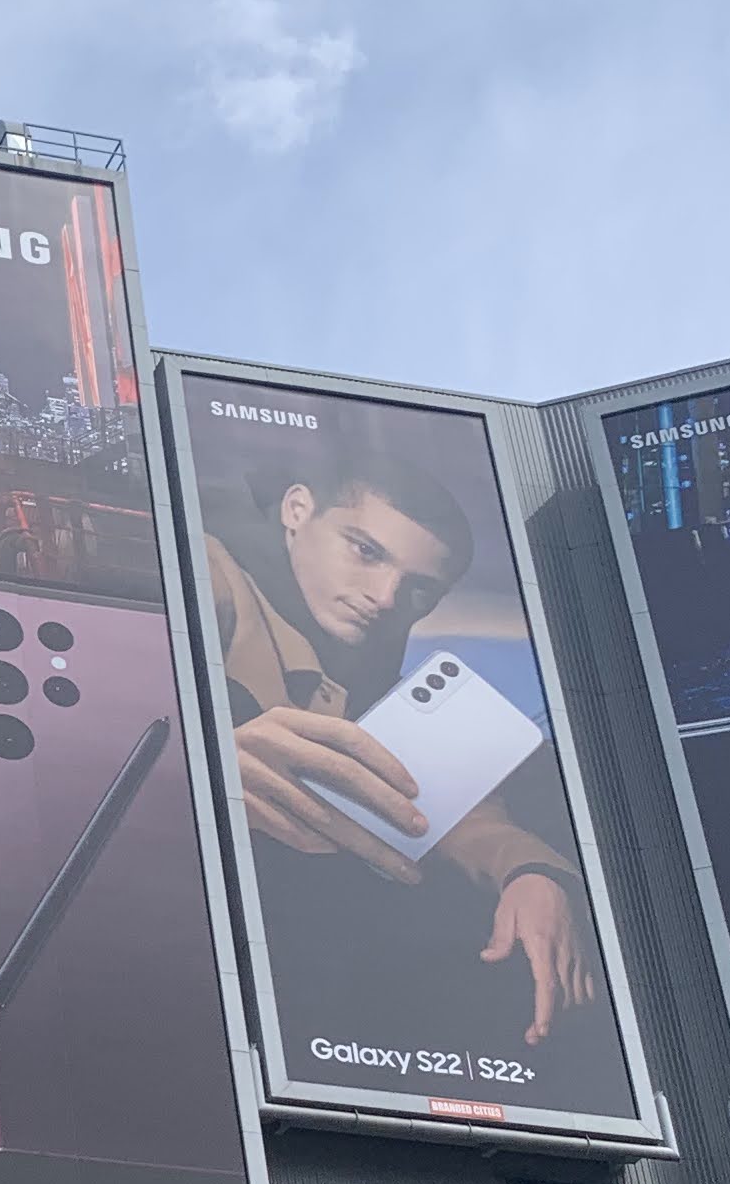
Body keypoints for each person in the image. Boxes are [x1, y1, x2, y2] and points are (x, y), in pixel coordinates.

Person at [201, 449, 603, 1069]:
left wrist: (533, 873)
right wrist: (201, 766)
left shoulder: (369, 658)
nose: (386, 597)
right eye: (366, 550)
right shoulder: (200, 572)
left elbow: (444, 805)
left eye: (420, 590)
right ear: (297, 509)